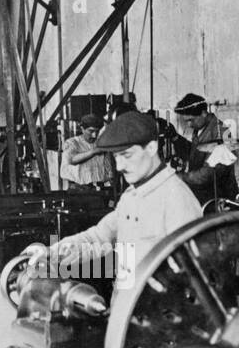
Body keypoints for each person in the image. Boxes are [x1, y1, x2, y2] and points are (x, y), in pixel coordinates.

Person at [40, 111, 201, 289]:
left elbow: (192, 275)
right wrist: (52, 253)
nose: (120, 166)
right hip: (124, 304)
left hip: (154, 309)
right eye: (116, 157)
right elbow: (99, 237)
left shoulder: (176, 198)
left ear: (151, 148)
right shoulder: (131, 197)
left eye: (127, 155)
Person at [174, 93, 238, 208]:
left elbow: (209, 173)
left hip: (219, 200)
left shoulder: (222, 132)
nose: (189, 125)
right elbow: (197, 153)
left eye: (191, 120)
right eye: (186, 121)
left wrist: (182, 177)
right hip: (202, 197)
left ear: (204, 113)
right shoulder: (201, 128)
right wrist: (176, 138)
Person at [59, 114, 114, 191]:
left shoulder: (101, 144)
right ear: (82, 129)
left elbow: (109, 169)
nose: (94, 135)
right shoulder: (72, 143)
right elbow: (71, 160)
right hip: (78, 190)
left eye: (97, 131)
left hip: (99, 189)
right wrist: (94, 151)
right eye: (91, 131)